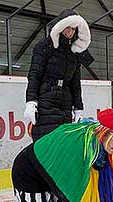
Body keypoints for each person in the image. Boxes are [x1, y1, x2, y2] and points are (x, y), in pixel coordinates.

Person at [24, 9, 93, 142]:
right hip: (46, 97)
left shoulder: (74, 52)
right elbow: (34, 74)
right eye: (67, 27)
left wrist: (78, 107)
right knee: (46, 138)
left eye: (73, 29)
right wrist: (31, 102)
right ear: (60, 25)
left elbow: (75, 82)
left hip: (65, 100)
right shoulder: (45, 46)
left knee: (62, 141)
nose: (70, 32)